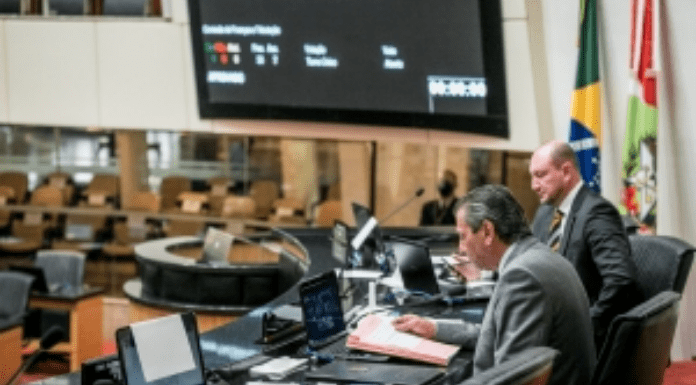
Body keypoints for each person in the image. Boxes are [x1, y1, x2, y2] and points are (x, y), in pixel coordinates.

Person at [393, 185, 596, 385]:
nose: (461, 248)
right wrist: (433, 328)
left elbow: (511, 377)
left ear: (487, 232)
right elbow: (498, 334)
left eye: (463, 236)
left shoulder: (522, 276)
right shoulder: (539, 258)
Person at [529, 140, 639, 351]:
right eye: (532, 176)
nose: (534, 185)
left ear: (566, 172)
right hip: (542, 317)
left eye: (540, 175)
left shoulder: (596, 213)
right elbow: (529, 262)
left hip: (578, 334)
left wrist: (583, 329)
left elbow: (620, 279)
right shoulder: (545, 213)